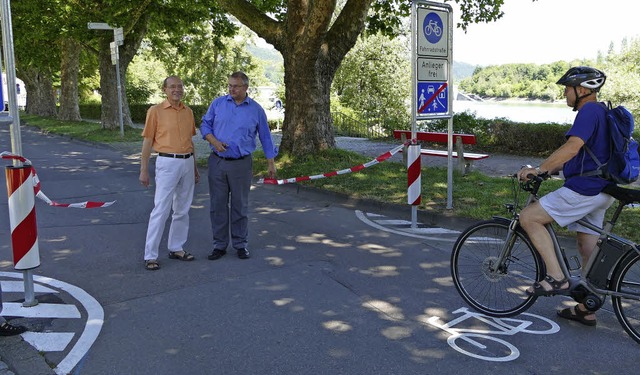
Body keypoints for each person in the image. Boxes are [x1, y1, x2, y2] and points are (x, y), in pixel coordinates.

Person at [517, 66, 614, 327]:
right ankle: (586, 308)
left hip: (586, 190)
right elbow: (585, 155)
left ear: (582, 90)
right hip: (602, 190)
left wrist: (538, 170)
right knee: (587, 247)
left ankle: (556, 277)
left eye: (567, 89)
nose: (564, 94)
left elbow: (572, 147)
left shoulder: (589, 110)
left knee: (530, 217)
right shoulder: (602, 111)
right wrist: (552, 168)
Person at [200, 71, 277, 260]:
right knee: (218, 205)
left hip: (241, 164)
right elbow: (204, 125)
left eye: (236, 86)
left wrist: (271, 163)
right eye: (229, 85)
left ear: (245, 87)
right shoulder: (218, 104)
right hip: (217, 162)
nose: (231, 89)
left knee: (240, 205)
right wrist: (214, 141)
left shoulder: (256, 110)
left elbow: (266, 137)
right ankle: (219, 245)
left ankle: (240, 244)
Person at [140, 76, 199, 271]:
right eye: (172, 86)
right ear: (164, 89)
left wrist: (195, 168)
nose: (177, 89)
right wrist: (143, 170)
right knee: (161, 209)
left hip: (187, 162)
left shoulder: (188, 111)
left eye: (180, 86)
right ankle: (150, 255)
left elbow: (192, 143)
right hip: (167, 162)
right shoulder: (155, 111)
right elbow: (148, 141)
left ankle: (176, 247)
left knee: (182, 208)